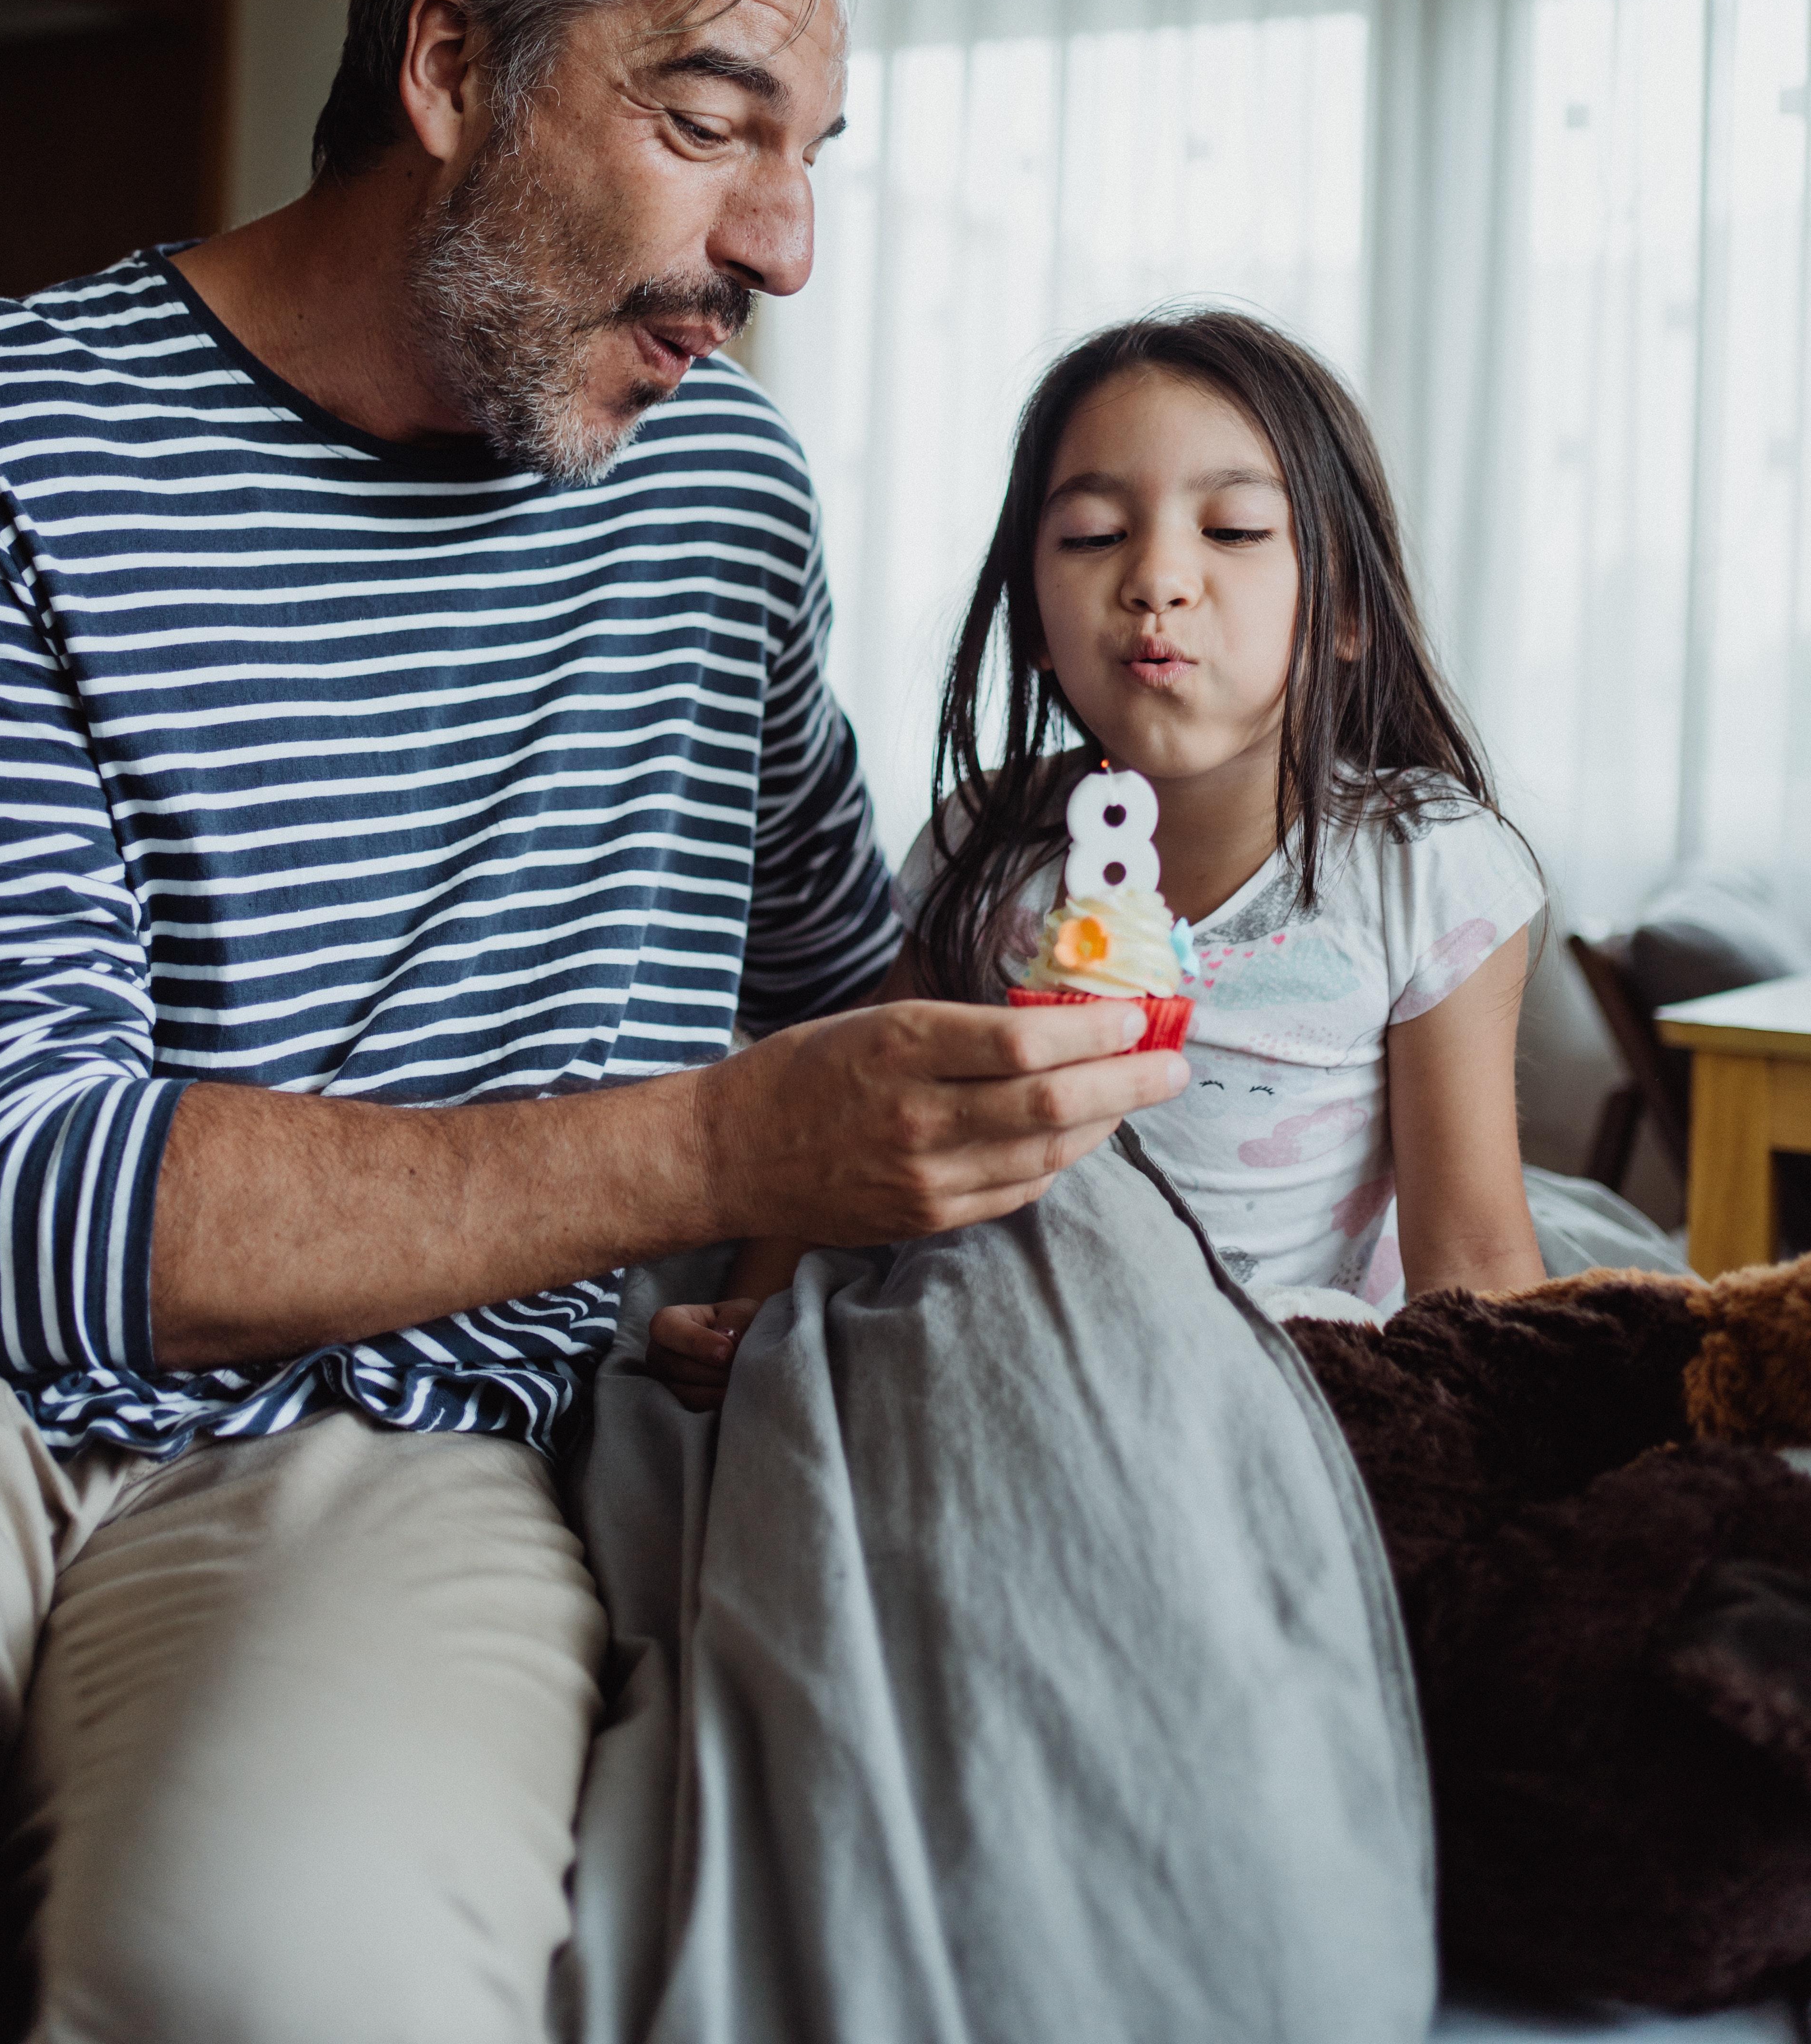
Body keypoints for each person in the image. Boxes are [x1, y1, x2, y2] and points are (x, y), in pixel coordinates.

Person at [0, 0, 1185, 2044]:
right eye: (712, 121)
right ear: (448, 68)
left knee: (287, 1968)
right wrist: (714, 1152)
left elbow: (822, 974)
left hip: (397, 1444)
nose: (785, 244)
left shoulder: (717, 493)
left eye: (814, 159)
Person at [648, 308, 1546, 1408]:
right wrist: (753, 1315)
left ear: (1348, 607)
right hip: (993, 1355)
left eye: (1233, 531)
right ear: (1031, 614)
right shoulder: (983, 843)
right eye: (1088, 537)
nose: (1156, 579)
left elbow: (1475, 1267)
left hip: (1274, 1386)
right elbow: (845, 1119)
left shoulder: (1425, 869)